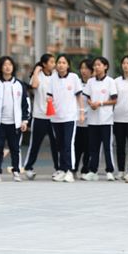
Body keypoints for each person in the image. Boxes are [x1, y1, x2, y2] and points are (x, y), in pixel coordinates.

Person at [0, 56, 29, 182]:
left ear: (13, 67)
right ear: (1, 68)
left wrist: (25, 120)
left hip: (15, 124)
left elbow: (26, 103)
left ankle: (16, 172)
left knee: (15, 149)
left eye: (10, 64)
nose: (7, 67)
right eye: (5, 65)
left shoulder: (19, 85)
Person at [47, 55, 85, 183]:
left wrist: (81, 112)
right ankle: (62, 169)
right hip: (56, 117)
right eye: (59, 62)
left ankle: (69, 170)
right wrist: (49, 101)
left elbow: (79, 97)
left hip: (69, 116)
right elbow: (49, 95)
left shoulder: (73, 78)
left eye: (64, 62)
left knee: (68, 144)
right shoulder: (52, 78)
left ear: (68, 65)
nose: (61, 65)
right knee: (60, 145)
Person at [23, 54, 60, 180]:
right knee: (35, 143)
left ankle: (58, 169)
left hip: (54, 117)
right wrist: (36, 71)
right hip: (39, 116)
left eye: (54, 61)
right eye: (51, 62)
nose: (54, 64)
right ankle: (28, 168)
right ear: (44, 64)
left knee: (56, 144)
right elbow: (34, 86)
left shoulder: (56, 76)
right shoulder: (38, 75)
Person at [82, 56, 117, 182]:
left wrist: (100, 103)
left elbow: (114, 100)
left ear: (105, 66)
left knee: (107, 147)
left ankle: (110, 171)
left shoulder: (110, 81)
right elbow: (86, 97)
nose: (96, 67)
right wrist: (91, 103)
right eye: (95, 65)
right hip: (92, 120)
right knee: (93, 147)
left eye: (99, 65)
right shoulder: (91, 82)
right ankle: (93, 171)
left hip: (106, 120)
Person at [74, 59, 93, 178]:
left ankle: (85, 169)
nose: (83, 71)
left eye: (86, 68)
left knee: (88, 148)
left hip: (90, 121)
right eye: (82, 68)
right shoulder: (77, 83)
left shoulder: (94, 83)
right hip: (77, 120)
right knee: (76, 147)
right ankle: (73, 168)